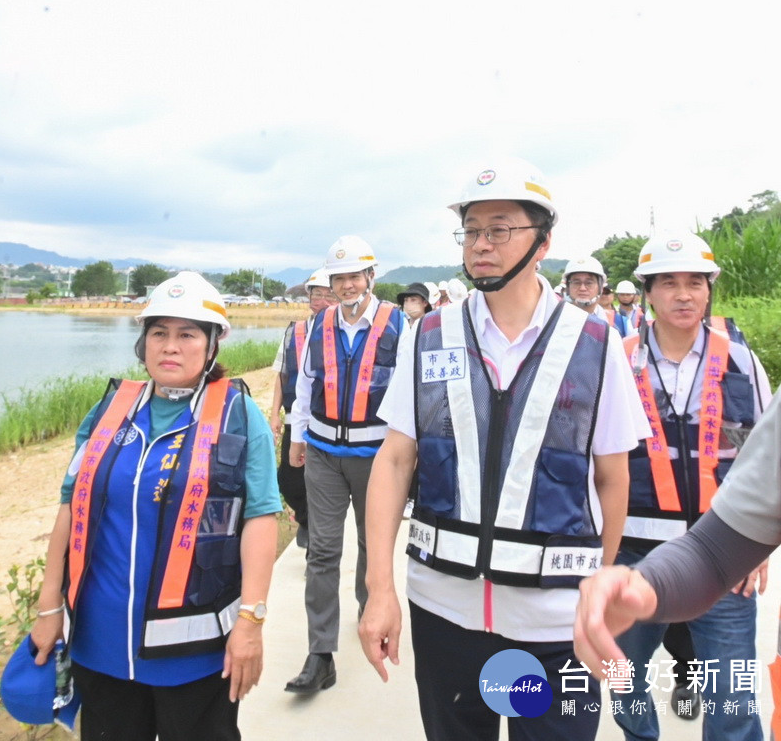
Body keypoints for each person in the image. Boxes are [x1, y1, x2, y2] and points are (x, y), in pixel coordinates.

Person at [357, 157, 648, 741]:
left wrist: (600, 586)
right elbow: (394, 460)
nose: (480, 244)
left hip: (553, 624)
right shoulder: (430, 334)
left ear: (542, 242)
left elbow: (613, 479)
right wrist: (380, 588)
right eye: (471, 231)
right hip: (444, 611)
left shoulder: (595, 344)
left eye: (499, 229)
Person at [29, 271, 281, 741]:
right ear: (142, 343)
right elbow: (69, 507)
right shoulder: (108, 411)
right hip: (99, 643)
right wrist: (48, 608)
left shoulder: (238, 415)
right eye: (158, 333)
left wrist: (251, 620)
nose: (170, 346)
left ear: (211, 347)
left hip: (194, 650)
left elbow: (260, 519)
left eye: (187, 334)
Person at [607, 231, 771, 741]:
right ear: (647, 293)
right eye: (670, 283)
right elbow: (594, 462)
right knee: (623, 678)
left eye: (695, 283)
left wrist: (757, 547)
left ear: (709, 290)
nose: (684, 294)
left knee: (733, 697)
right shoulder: (617, 359)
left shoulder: (741, 360)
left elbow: (768, 460)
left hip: (721, 549)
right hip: (632, 550)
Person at [574, 386, 781, 737]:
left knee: (731, 699)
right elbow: (713, 551)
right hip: (643, 552)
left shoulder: (735, 355)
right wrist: (643, 581)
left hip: (725, 572)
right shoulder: (625, 357)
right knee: (628, 680)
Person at [285, 235, 403, 695]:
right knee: (323, 550)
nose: (348, 285)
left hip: (375, 457)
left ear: (371, 277)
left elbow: (410, 395)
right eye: (340, 278)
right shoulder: (319, 324)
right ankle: (320, 654)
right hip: (322, 452)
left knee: (371, 544)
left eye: (355, 276)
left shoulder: (398, 324)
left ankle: (368, 609)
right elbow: (305, 382)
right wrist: (297, 439)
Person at [270, 268, 339, 550]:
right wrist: (275, 413)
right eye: (316, 294)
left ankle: (315, 535)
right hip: (295, 418)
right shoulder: (295, 331)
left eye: (327, 295)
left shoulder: (342, 332)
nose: (320, 300)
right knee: (289, 478)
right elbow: (281, 374)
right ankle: (306, 519)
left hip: (327, 418)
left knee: (321, 479)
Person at [563, 256, 616, 326]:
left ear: (601, 287)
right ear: (568, 287)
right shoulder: (554, 319)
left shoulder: (614, 322)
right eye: (576, 283)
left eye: (589, 283)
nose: (582, 288)